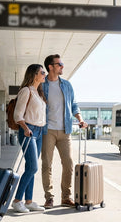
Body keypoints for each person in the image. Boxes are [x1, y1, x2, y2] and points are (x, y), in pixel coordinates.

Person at [41, 54, 88, 209]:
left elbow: (74, 105)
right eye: (59, 64)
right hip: (47, 130)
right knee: (47, 164)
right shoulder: (42, 85)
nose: (62, 66)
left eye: (62, 63)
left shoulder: (67, 85)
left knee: (68, 164)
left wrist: (80, 119)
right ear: (51, 67)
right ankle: (49, 197)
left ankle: (66, 197)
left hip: (65, 130)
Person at [11, 64, 47, 213]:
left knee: (30, 168)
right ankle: (17, 200)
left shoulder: (38, 93)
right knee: (33, 167)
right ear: (34, 75)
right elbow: (18, 115)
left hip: (39, 132)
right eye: (42, 72)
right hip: (28, 131)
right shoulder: (26, 91)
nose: (45, 74)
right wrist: (25, 129)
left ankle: (29, 201)